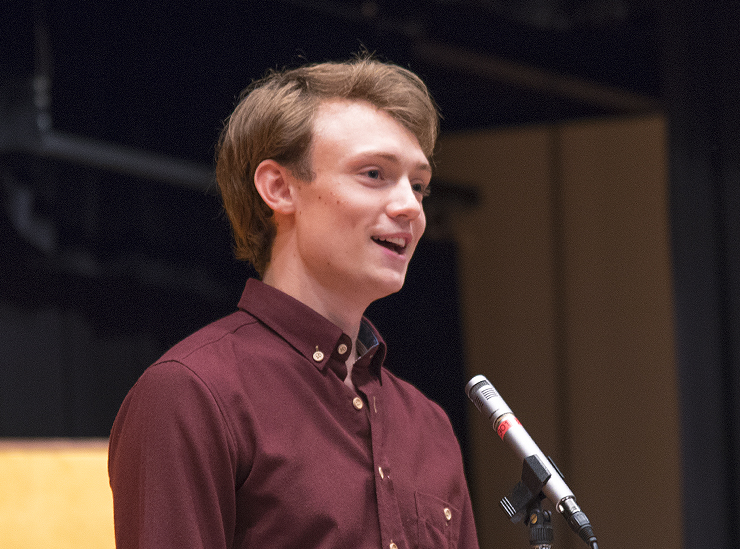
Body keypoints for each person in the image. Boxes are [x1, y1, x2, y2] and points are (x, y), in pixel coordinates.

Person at [108, 55, 480, 549]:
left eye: (418, 185)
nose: (411, 206)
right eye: (373, 174)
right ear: (279, 188)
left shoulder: (427, 424)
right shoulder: (192, 392)